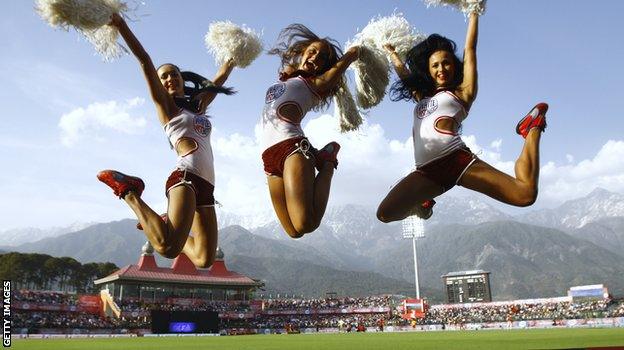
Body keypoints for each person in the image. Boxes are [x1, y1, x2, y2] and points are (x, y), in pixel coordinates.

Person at [377, 12, 548, 222]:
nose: (441, 68)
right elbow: (405, 75)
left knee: (526, 195)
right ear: (428, 71)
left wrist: (473, 13)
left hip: (457, 162)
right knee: (385, 214)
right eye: (435, 65)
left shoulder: (462, 93)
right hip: (426, 172)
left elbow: (470, 49)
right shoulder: (423, 96)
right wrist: (391, 52)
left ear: (455, 65)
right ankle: (424, 201)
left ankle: (532, 127)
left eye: (446, 63)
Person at [97, 13, 236, 267]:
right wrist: (121, 25)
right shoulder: (166, 108)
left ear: (182, 79)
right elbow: (144, 60)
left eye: (174, 74)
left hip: (207, 186)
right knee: (166, 248)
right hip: (186, 178)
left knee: (205, 259)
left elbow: (220, 78)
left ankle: (163, 221)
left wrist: (234, 57)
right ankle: (128, 190)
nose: (170, 78)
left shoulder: (198, 107)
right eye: (164, 77)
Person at [261, 24, 360, 238]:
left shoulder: (314, 84)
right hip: (268, 158)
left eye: (322, 57)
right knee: (293, 232)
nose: (315, 57)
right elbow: (290, 62)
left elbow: (333, 74)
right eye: (312, 51)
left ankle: (327, 163)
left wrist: (351, 55)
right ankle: (322, 156)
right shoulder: (287, 78)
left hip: (292, 148)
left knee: (306, 224)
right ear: (303, 52)